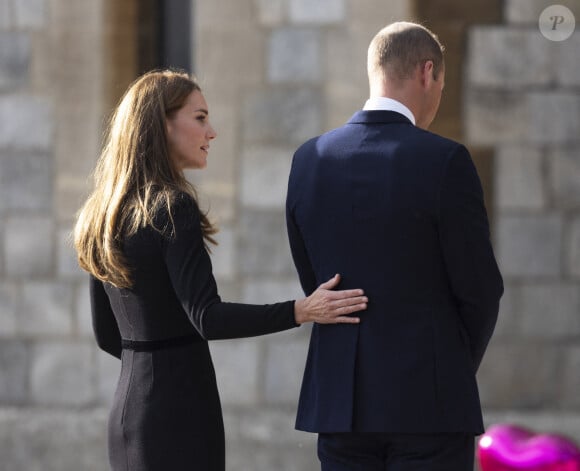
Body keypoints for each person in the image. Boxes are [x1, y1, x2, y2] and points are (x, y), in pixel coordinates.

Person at [73, 69, 368, 471]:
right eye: (200, 118)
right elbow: (207, 317)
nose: (211, 132)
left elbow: (108, 335)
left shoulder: (101, 214)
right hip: (180, 415)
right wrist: (301, 310)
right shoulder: (173, 207)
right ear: (163, 123)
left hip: (128, 412)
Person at [286, 21, 504, 471]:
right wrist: (455, 365)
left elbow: (316, 282)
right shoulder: (445, 160)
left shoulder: (309, 159)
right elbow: (481, 289)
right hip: (430, 403)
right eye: (441, 82)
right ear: (428, 73)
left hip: (340, 405)